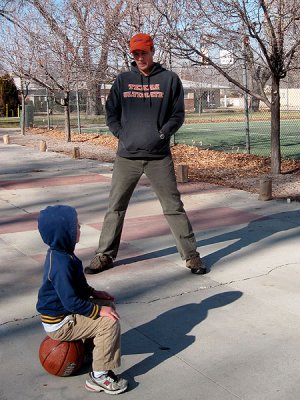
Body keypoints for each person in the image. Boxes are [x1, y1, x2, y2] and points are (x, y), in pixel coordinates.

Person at [85, 33, 207, 276]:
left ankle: (192, 256)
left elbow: (177, 115)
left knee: (173, 206)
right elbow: (111, 112)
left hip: (158, 157)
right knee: (115, 207)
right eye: (136, 54)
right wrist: (122, 134)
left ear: (152, 51)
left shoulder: (169, 80)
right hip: (127, 156)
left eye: (144, 52)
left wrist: (161, 135)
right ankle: (104, 255)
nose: (140, 57)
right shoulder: (122, 81)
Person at [36, 204, 128, 395]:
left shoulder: (63, 254)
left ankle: (89, 353)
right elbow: (71, 301)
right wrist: (98, 311)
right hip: (61, 323)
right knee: (108, 322)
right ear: (64, 233)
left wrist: (95, 293)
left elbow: (77, 287)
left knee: (108, 306)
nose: (79, 229)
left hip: (64, 314)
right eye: (75, 226)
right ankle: (100, 377)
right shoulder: (60, 264)